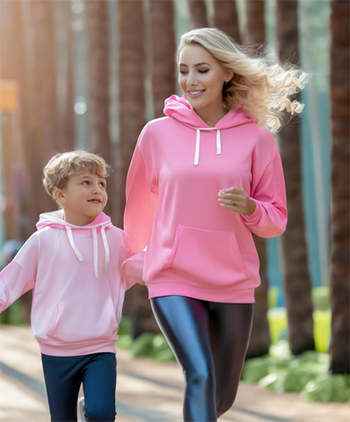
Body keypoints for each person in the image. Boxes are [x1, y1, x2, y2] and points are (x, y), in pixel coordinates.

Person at [124, 27, 307, 421]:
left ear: (226, 73)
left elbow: (275, 221)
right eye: (184, 70)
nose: (190, 80)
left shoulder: (256, 139)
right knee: (200, 375)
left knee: (221, 397)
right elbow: (139, 207)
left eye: (202, 70)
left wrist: (250, 207)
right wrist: (133, 262)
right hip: (172, 277)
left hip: (233, 281)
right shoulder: (156, 135)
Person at [0, 151, 144, 422]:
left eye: (101, 183)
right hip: (56, 349)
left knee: (101, 415)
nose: (97, 189)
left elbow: (141, 269)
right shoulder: (42, 241)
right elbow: (9, 282)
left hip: (101, 346)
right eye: (86, 182)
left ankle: (89, 411)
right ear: (60, 195)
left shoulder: (117, 239)